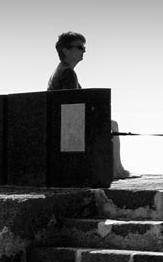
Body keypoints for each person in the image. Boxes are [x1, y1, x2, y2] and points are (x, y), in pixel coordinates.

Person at [47, 31, 132, 179]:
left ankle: (116, 169)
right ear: (65, 50)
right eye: (80, 47)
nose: (84, 51)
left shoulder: (61, 71)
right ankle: (117, 170)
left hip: (59, 123)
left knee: (110, 123)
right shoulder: (68, 73)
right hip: (66, 126)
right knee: (112, 125)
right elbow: (73, 106)